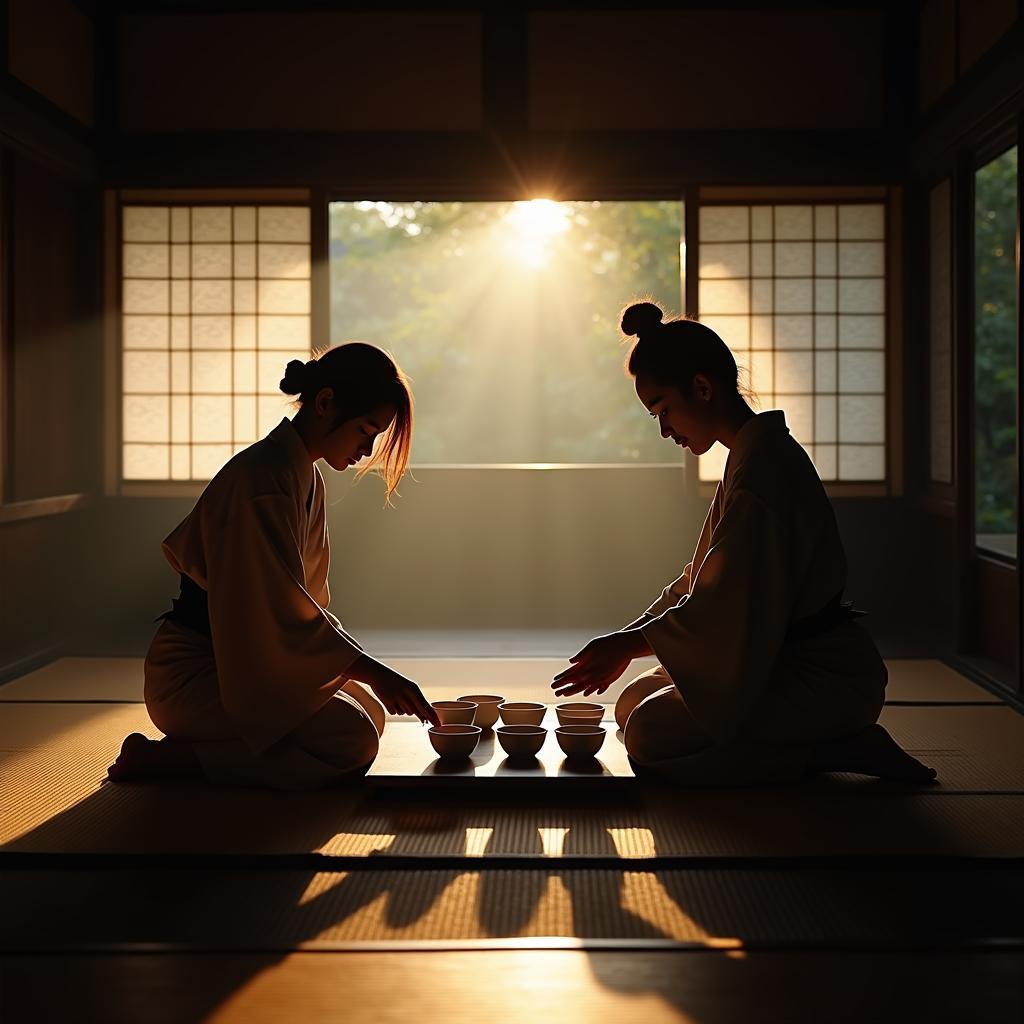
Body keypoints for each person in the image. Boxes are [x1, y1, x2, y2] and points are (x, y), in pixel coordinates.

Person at [552, 302, 935, 786]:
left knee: (649, 736)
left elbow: (723, 605)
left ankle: (833, 747)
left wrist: (628, 644)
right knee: (630, 705)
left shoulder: (764, 470)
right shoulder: (751, 456)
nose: (665, 430)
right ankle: (811, 743)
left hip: (822, 680)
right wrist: (626, 642)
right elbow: (698, 583)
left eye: (664, 410)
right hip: (774, 661)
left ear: (703, 388)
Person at [108, 343, 438, 790]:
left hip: (238, 663)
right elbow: (281, 611)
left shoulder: (303, 475)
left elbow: (303, 606)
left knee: (370, 711)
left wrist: (358, 670)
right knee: (352, 740)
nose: (367, 449)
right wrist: (371, 668)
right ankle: (175, 762)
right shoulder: (263, 480)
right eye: (366, 430)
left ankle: (199, 754)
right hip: (195, 677)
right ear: (325, 404)